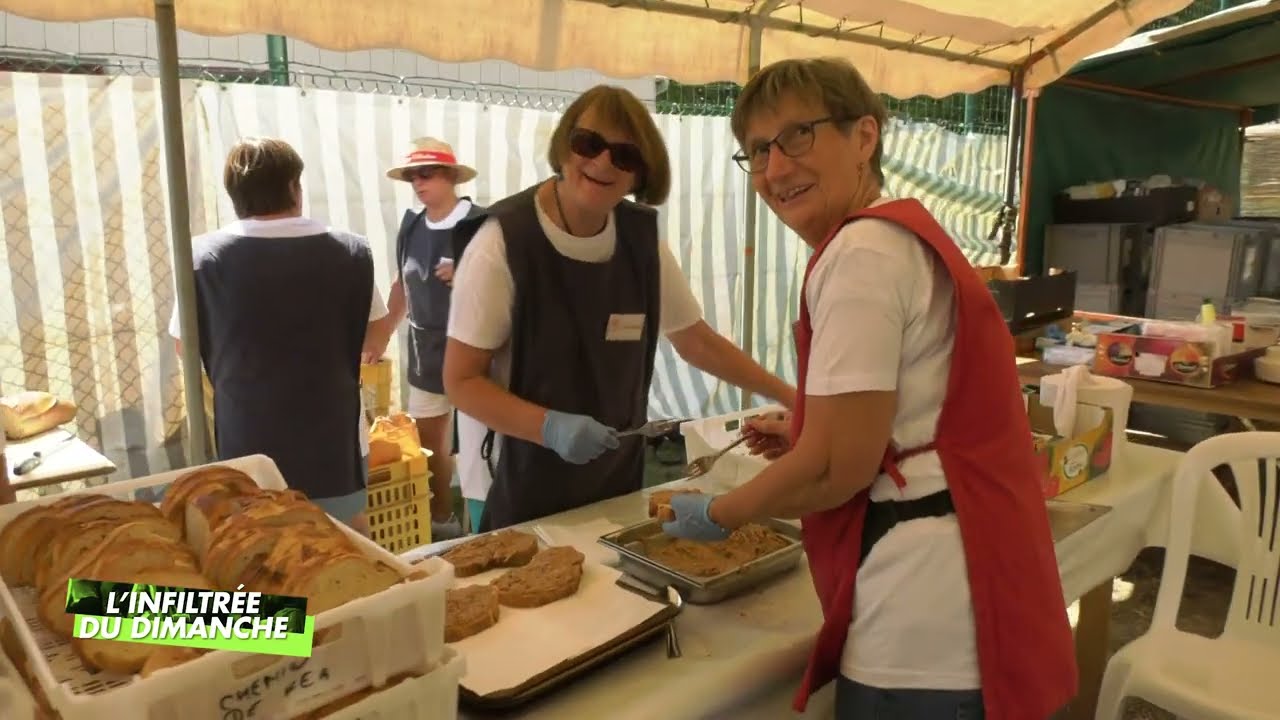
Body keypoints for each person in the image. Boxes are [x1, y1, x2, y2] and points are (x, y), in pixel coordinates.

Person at [660, 58, 1077, 718]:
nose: (775, 169)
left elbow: (837, 468)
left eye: (798, 135)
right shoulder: (894, 234)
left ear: (864, 136)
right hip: (969, 581)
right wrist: (804, 430)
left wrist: (718, 514)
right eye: (758, 151)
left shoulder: (861, 255)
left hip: (921, 622)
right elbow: (903, 415)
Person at [444, 85, 796, 532]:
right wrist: (548, 426)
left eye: (625, 155)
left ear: (640, 174)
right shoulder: (501, 244)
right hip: (514, 474)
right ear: (564, 146)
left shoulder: (642, 244)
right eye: (589, 144)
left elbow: (697, 341)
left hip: (614, 473)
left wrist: (790, 396)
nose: (603, 162)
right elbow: (460, 380)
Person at [169, 137, 381, 534]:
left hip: (247, 440)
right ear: (294, 188)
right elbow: (372, 342)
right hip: (333, 445)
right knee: (346, 547)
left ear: (234, 196)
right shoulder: (352, 252)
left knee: (263, 554)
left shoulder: (200, 258)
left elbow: (186, 347)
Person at [363, 138, 485, 540]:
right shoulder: (411, 226)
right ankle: (442, 522)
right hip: (425, 350)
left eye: (427, 173)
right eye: (413, 175)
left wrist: (467, 272)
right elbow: (403, 286)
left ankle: (488, 522)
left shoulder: (482, 223)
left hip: (476, 350)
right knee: (430, 445)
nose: (419, 182)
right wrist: (378, 337)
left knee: (479, 445)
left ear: (451, 176)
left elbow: (515, 285)